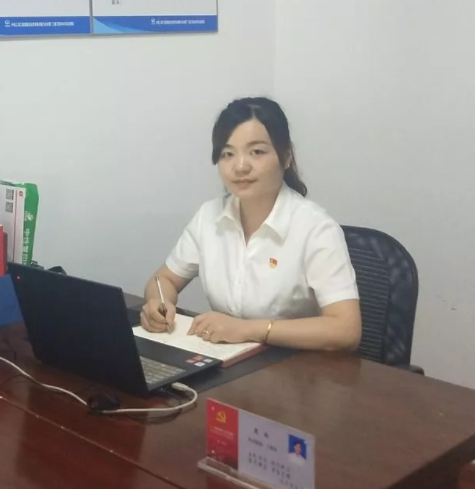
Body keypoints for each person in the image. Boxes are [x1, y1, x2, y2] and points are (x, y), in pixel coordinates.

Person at [141, 97, 361, 351]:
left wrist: (247, 329)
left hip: (296, 366)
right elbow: (164, 279)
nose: (240, 166)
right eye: (227, 154)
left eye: (256, 152)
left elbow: (346, 329)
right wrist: (158, 303)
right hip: (227, 360)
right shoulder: (208, 216)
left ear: (286, 156)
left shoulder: (316, 229)